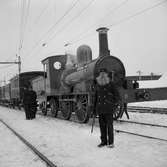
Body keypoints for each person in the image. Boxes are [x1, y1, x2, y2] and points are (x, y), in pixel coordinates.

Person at [93, 68, 120, 148]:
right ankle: (103, 141)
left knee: (109, 126)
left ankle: (111, 142)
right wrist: (94, 109)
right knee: (102, 126)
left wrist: (113, 105)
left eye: (103, 73)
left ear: (106, 74)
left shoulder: (111, 84)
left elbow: (117, 96)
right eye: (101, 73)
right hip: (101, 109)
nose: (102, 75)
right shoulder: (98, 84)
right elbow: (96, 97)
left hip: (109, 109)